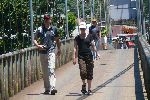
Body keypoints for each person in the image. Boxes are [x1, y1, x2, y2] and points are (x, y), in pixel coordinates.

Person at [33, 15, 61, 95]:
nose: (47, 20)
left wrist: (59, 49)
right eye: (45, 19)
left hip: (51, 51)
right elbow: (34, 39)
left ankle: (52, 88)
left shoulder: (54, 29)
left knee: (51, 69)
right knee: (45, 72)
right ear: (44, 20)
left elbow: (57, 39)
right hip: (42, 52)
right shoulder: (40, 29)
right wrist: (38, 45)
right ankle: (47, 89)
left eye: (48, 19)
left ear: (50, 20)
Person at [73, 22, 99, 95]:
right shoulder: (77, 38)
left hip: (89, 56)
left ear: (85, 28)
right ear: (80, 29)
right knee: (83, 71)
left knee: (89, 72)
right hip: (81, 56)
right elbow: (75, 48)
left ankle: (89, 89)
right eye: (81, 28)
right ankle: (84, 84)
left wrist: (97, 53)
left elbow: (93, 45)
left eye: (83, 28)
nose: (82, 30)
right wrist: (74, 57)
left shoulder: (90, 36)